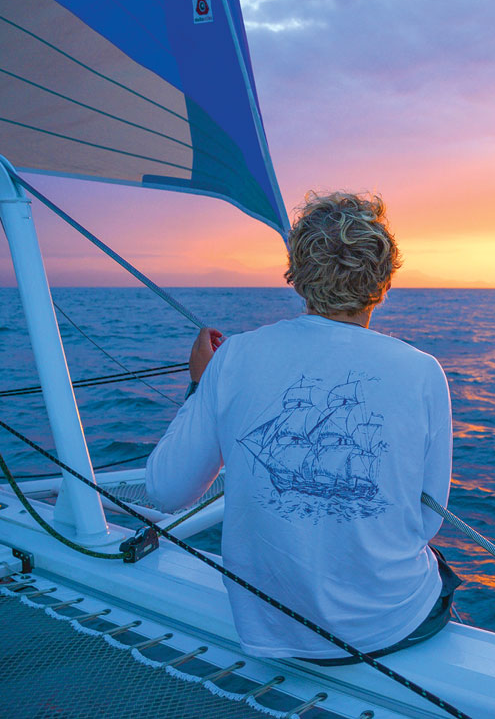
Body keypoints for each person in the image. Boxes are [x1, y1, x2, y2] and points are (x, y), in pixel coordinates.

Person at [146, 191, 459, 663]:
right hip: (387, 625)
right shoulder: (422, 371)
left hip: (266, 624)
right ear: (385, 279)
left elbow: (166, 492)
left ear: (296, 273)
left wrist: (199, 386)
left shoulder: (235, 356)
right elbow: (426, 521)